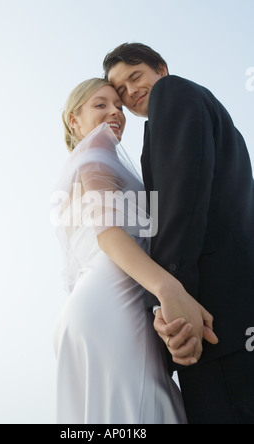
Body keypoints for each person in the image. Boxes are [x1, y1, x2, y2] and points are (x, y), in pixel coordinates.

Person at [103, 42, 254, 424]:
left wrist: (173, 306)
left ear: (161, 69)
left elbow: (181, 204)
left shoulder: (174, 93)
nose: (130, 92)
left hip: (213, 318)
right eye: (120, 90)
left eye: (135, 76)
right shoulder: (197, 111)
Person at [51, 78, 192, 424]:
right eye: (100, 105)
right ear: (74, 120)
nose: (115, 111)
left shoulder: (84, 165)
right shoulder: (97, 155)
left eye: (117, 106)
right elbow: (109, 235)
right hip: (116, 302)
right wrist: (169, 288)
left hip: (92, 307)